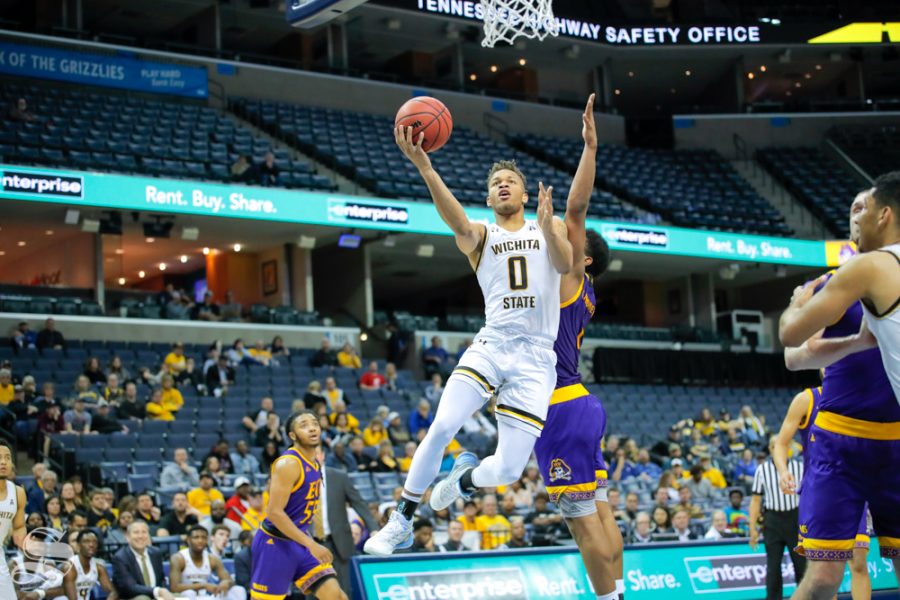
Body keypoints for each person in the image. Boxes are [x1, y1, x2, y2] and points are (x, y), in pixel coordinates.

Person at [779, 186, 900, 598]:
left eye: (862, 206)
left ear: (884, 213)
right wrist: (854, 343)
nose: (854, 215)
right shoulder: (833, 284)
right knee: (825, 578)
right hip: (840, 440)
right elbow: (792, 357)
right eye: (850, 207)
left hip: (896, 441)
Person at [250, 411, 348, 599]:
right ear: (292, 436)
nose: (312, 428)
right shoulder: (288, 464)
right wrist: (312, 544)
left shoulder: (314, 463)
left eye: (314, 423)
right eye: (304, 425)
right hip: (275, 543)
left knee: (336, 596)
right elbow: (274, 513)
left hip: (300, 541)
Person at [749, 439, 806, 600]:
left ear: (787, 448)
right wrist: (752, 528)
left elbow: (808, 496)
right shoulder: (762, 470)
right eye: (774, 446)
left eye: (783, 446)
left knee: (801, 565)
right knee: (773, 567)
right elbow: (755, 500)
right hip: (772, 520)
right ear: (770, 449)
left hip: (795, 519)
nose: (779, 449)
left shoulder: (799, 467)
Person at [319, 447, 379, 591]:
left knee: (345, 589)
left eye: (315, 453)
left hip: (339, 541)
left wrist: (373, 528)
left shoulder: (339, 477)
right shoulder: (297, 480)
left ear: (322, 455)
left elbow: (358, 502)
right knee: (314, 591)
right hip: (311, 543)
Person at [169, 525, 245, 599]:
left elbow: (229, 580)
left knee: (238, 590)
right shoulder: (178, 558)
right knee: (189, 592)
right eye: (196, 537)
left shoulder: (212, 558)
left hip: (205, 597)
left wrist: (226, 583)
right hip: (185, 597)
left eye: (203, 537)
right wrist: (203, 585)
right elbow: (174, 588)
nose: (200, 540)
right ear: (188, 540)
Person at [111, 520, 175, 599]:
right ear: (127, 536)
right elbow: (130, 587)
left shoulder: (156, 553)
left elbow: (161, 580)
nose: (140, 536)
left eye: (144, 532)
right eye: (136, 532)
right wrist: (158, 591)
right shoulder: (120, 557)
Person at [0, 440, 27, 599]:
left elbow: (19, 525)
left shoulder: (17, 492)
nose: (3, 462)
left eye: (7, 457)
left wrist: (21, 538)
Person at [63, 529, 118, 600]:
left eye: (94, 542)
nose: (91, 545)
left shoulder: (99, 568)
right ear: (78, 545)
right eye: (86, 541)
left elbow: (113, 592)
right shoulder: (70, 567)